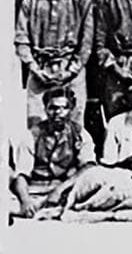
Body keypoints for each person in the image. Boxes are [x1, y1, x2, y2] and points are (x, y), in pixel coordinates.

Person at [16, 0, 96, 127]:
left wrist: (72, 70)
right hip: (40, 70)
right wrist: (34, 68)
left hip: (70, 69)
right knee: (36, 124)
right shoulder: (31, 0)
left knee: (74, 124)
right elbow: (21, 39)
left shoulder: (81, 1)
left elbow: (86, 42)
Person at [9, 88, 97, 218]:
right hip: (36, 189)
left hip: (67, 188)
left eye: (64, 108)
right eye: (53, 108)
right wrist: (25, 200)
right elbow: (21, 174)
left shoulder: (80, 133)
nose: (58, 113)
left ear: (71, 110)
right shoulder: (32, 135)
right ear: (45, 109)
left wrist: (59, 190)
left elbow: (89, 167)